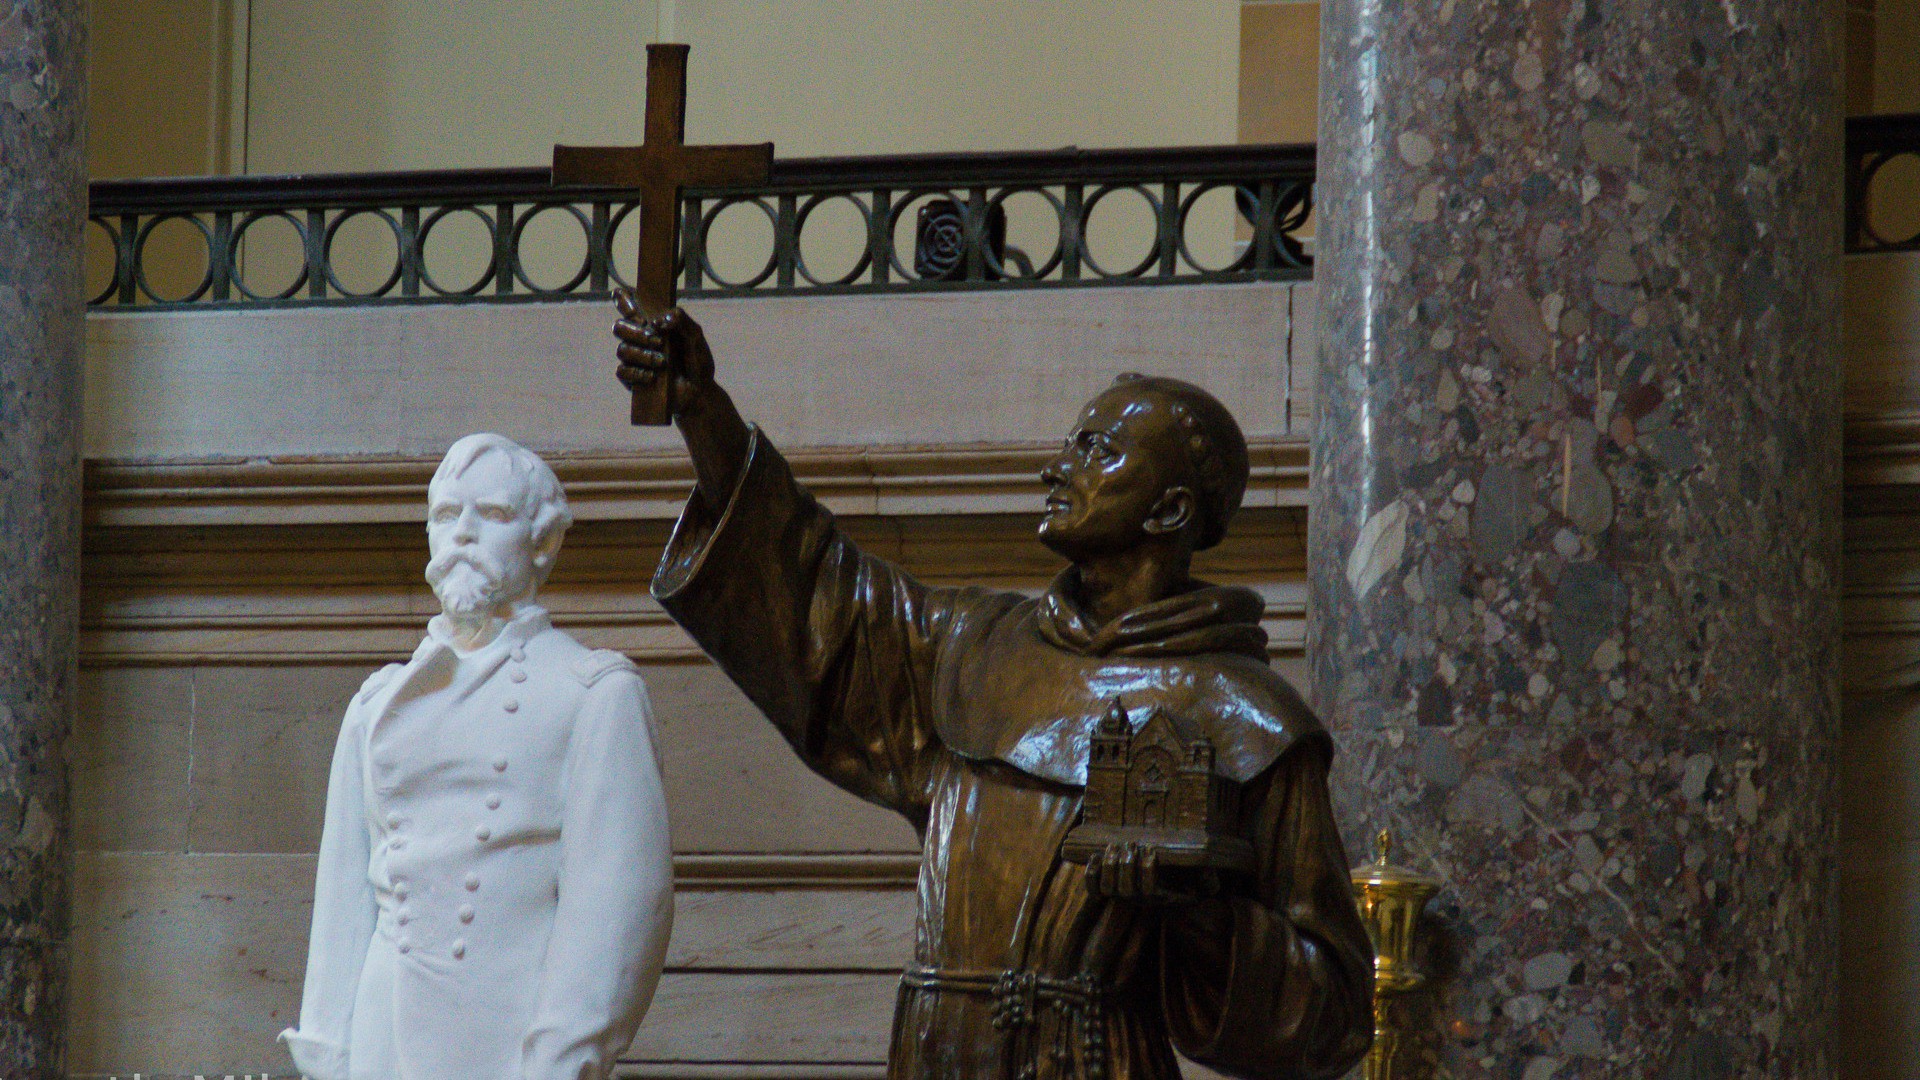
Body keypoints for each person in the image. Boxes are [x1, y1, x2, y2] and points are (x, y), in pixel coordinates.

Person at [615, 298, 1373, 1080]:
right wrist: (705, 416)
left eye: (1096, 451)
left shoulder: (1242, 717)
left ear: (1171, 509)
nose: (1057, 469)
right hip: (938, 1056)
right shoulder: (974, 646)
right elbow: (813, 593)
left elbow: (1333, 1015)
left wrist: (1203, 917)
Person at [280, 433, 673, 1080]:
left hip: (506, 1043)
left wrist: (560, 1059)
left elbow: (618, 907)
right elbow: (343, 900)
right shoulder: (377, 703)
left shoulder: (593, 695)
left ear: (542, 540)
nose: (462, 534)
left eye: (490, 515)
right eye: (445, 516)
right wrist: (329, 1051)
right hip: (380, 1044)